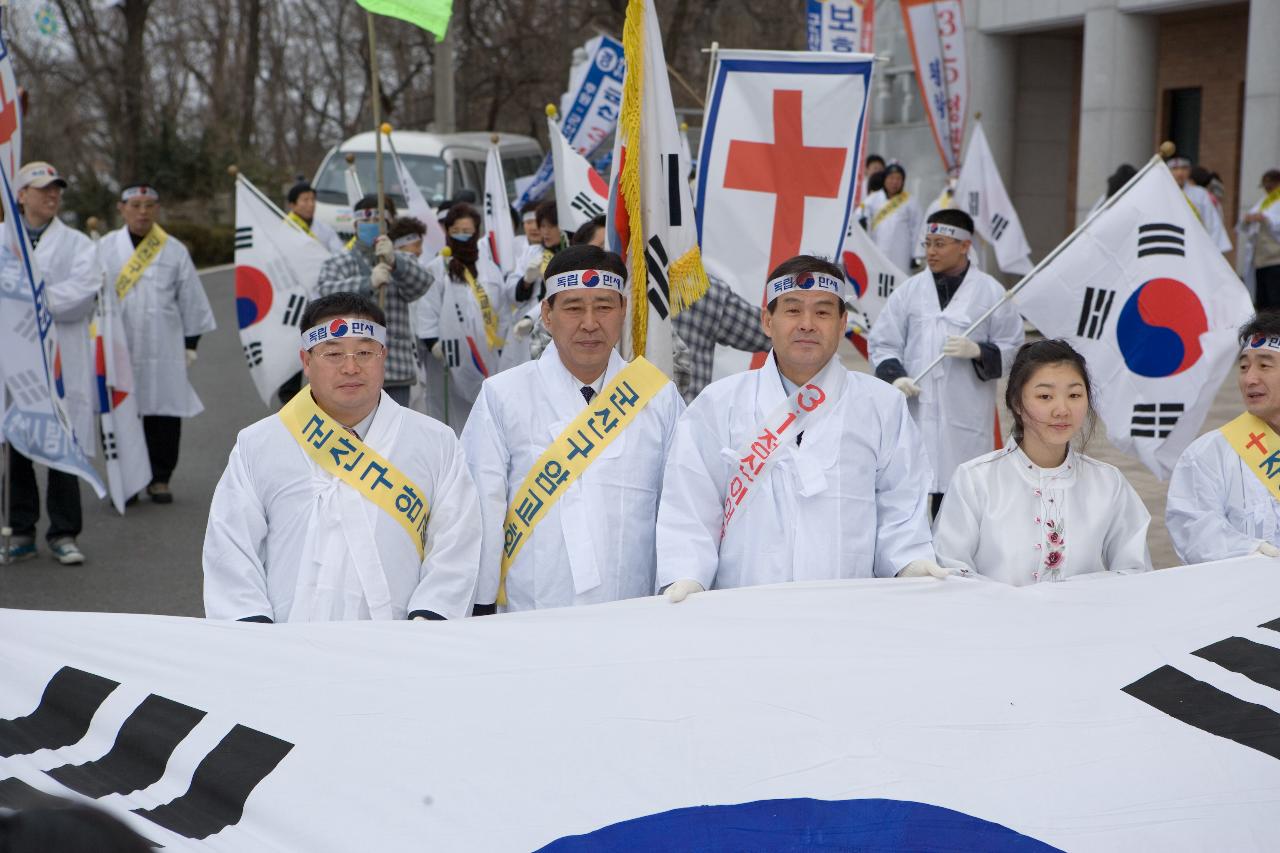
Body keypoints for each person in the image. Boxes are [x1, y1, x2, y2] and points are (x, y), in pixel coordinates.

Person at [655, 255, 942, 602]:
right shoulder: (719, 405)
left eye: (822, 312)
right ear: (767, 321)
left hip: (848, 610)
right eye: (792, 310)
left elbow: (901, 509)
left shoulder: (882, 406)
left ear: (842, 324)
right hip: (742, 609)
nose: (807, 324)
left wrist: (909, 562)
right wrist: (687, 575)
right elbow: (690, 507)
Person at [203, 292, 483, 622]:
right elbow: (231, 547)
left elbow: (457, 541)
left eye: (365, 352)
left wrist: (428, 622)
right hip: (285, 645)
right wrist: (252, 628)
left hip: (400, 644)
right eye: (333, 354)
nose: (351, 367)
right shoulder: (259, 443)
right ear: (306, 362)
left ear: (384, 356)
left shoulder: (436, 442)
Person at [461, 244, 685, 612]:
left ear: (623, 310)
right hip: (531, 610)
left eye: (604, 306)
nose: (590, 323)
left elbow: (680, 505)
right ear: (547, 315)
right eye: (573, 307)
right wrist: (481, 603)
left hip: (632, 608)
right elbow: (482, 510)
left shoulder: (658, 396)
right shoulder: (503, 395)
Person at [934, 340, 1152, 584]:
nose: (1062, 409)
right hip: (998, 619)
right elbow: (951, 570)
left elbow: (1135, 572)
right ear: (1017, 402)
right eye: (1045, 396)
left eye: (1074, 395)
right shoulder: (975, 480)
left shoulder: (1108, 483)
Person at [868, 208, 1025, 516]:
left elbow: (1013, 348)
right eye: (927, 243)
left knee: (959, 497)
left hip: (963, 415)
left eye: (939, 244)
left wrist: (980, 352)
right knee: (909, 492)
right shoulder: (909, 291)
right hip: (917, 410)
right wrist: (895, 376)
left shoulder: (991, 292)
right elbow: (883, 341)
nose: (930, 252)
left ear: (965, 246)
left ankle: (954, 559)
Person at [1, 162, 98, 563]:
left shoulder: (78, 245)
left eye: (56, 189)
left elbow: (82, 291)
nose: (52, 195)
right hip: (16, 362)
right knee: (19, 442)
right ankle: (22, 530)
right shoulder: (4, 239)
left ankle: (63, 532)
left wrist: (30, 299)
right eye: (42, 189)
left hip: (61, 361)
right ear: (21, 195)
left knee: (63, 442)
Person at [98, 182, 216, 504]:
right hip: (118, 348)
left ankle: (160, 478)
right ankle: (127, 481)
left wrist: (191, 343)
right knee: (122, 410)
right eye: (135, 205)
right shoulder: (105, 248)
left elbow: (192, 300)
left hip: (163, 348)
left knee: (163, 412)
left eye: (149, 205)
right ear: (121, 209)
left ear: (157, 209)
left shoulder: (173, 249)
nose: (142, 211)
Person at [1166, 312, 1280, 564]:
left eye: (1264, 365)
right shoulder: (1207, 455)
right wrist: (1253, 552)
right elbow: (1193, 532)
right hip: (1244, 596)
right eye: (1243, 367)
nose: (1250, 379)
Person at [316, 194, 429, 407]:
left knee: (393, 436)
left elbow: (422, 285)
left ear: (387, 225)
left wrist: (395, 262)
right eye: (364, 222)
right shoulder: (338, 261)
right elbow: (324, 296)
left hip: (394, 367)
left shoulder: (399, 260)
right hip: (349, 369)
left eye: (376, 221)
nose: (370, 225)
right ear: (355, 225)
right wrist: (367, 283)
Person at [413, 203, 508, 433]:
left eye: (468, 230)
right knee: (447, 413)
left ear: (477, 232)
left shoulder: (490, 269)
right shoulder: (438, 268)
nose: (462, 236)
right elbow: (427, 307)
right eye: (456, 230)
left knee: (482, 413)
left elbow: (502, 310)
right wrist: (432, 342)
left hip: (484, 356)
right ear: (447, 232)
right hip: (448, 356)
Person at [672, 257, 772, 401]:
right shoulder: (698, 288)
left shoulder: (628, 290)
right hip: (688, 418)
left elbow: (775, 333)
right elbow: (774, 334)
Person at [499, 199, 569, 371]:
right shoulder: (531, 252)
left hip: (559, 326)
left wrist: (530, 317)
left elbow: (559, 294)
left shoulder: (570, 254)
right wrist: (526, 281)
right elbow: (511, 293)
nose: (545, 232)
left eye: (551, 226)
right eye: (542, 226)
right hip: (528, 332)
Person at [862, 162, 922, 273]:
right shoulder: (872, 199)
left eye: (898, 179)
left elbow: (917, 229)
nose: (894, 182)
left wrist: (916, 254)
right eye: (891, 178)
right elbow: (860, 218)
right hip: (877, 249)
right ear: (885, 179)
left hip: (901, 254)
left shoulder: (910, 201)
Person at [1168, 156, 1231, 253]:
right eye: (1175, 169)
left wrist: (1212, 250)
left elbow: (1212, 222)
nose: (1179, 173)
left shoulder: (1200, 194)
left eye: (1184, 168)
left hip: (1196, 245)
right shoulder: (1162, 192)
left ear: (1189, 171)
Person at [1238, 169, 1280, 309]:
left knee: (1275, 299)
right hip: (1260, 259)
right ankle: (1265, 328)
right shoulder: (1265, 201)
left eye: (1270, 186)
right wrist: (1249, 219)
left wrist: (1266, 219)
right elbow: (1244, 223)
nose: (1268, 189)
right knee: (1262, 299)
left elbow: (1273, 221)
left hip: (1275, 258)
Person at [285, 178, 345, 255]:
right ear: (292, 205)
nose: (311, 204)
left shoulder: (325, 228)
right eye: (305, 200)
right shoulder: (286, 229)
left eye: (313, 200)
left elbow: (339, 252)